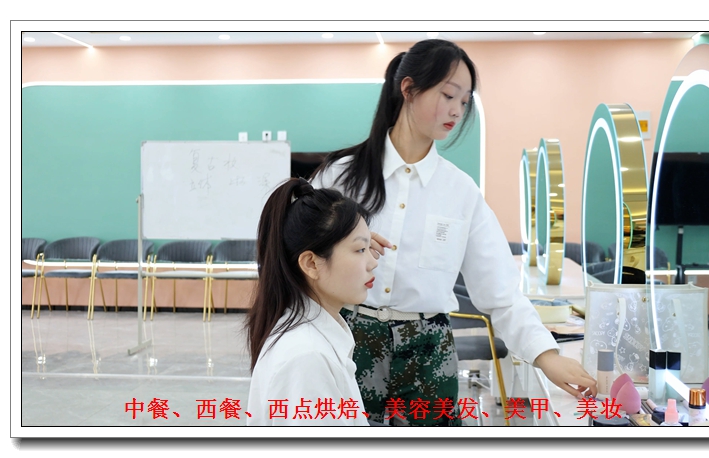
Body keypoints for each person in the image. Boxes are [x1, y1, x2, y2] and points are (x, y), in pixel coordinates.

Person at [311, 39, 597, 426]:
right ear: (408, 89)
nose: (457, 111)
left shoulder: (461, 193)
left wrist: (545, 355)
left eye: (464, 101)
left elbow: (500, 292)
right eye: (448, 95)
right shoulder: (341, 176)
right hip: (346, 340)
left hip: (428, 356)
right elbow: (296, 256)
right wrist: (344, 246)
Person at [245, 177, 377, 426]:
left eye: (370, 248)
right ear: (311, 264)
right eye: (360, 250)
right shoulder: (307, 358)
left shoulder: (314, 338)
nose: (373, 262)